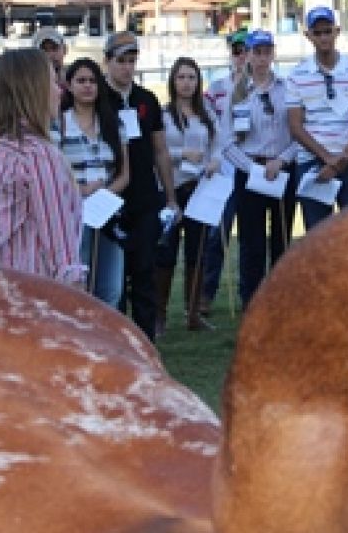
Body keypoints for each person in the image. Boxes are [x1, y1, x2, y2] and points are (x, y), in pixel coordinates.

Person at [0, 48, 84, 285]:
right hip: (31, 295)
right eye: (52, 81)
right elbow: (62, 255)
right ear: (34, 90)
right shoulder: (37, 155)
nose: (59, 90)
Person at [103, 30, 180, 342]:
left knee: (144, 272)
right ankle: (117, 341)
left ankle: (146, 342)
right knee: (114, 278)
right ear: (107, 61)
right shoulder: (96, 98)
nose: (127, 67)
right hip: (110, 195)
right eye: (121, 61)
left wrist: (171, 197)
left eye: (132, 61)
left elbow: (160, 150)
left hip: (146, 197)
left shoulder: (146, 99)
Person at [221, 29, 298, 310]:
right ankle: (251, 302)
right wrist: (252, 167)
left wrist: (282, 161)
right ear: (248, 55)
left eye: (267, 52)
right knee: (251, 243)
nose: (262, 58)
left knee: (282, 238)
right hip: (250, 170)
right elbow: (226, 142)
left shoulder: (288, 89)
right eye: (257, 52)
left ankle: (280, 300)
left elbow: (299, 134)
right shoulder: (236, 93)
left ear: (273, 54)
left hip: (281, 170)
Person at [286, 6, 348, 230]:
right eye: (318, 33)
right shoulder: (297, 75)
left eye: (328, 31)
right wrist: (327, 158)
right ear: (308, 36)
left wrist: (342, 158)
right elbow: (296, 126)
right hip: (313, 164)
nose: (324, 37)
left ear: (337, 31)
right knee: (318, 236)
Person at [156, 57, 224, 333]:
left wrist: (214, 161)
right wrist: (180, 154)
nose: (186, 83)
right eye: (181, 77)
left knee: (197, 252)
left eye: (192, 77)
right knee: (166, 253)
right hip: (171, 190)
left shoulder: (206, 113)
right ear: (173, 81)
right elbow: (156, 152)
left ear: (198, 82)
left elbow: (219, 145)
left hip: (200, 189)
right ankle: (159, 315)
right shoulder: (164, 114)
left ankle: (193, 313)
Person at [58, 57, 131, 308]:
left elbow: (124, 174)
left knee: (111, 287)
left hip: (108, 212)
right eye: (81, 81)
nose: (87, 86)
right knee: (79, 285)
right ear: (69, 86)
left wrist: (103, 195)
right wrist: (81, 191)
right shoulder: (59, 124)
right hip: (73, 213)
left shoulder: (113, 123)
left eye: (92, 81)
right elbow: (54, 173)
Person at [199, 28, 249, 316]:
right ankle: (206, 294)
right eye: (236, 50)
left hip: (253, 166)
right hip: (226, 169)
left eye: (245, 50)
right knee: (218, 234)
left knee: (251, 237)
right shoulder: (216, 87)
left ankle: (249, 293)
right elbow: (207, 128)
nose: (241, 56)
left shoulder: (264, 86)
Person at [32, 26, 68, 91]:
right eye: (44, 50)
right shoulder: (30, 85)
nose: (50, 55)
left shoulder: (77, 80)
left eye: (54, 48)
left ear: (65, 50)